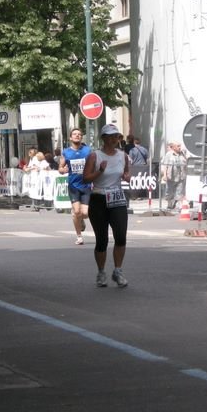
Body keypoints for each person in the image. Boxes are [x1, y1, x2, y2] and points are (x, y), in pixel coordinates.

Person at [82, 123, 132, 288]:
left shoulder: (122, 155)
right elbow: (86, 178)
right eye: (109, 136)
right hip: (99, 198)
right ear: (103, 138)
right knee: (102, 239)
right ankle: (101, 272)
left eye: (116, 136)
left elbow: (126, 172)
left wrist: (126, 176)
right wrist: (100, 172)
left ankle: (118, 271)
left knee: (121, 237)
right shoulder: (95, 156)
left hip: (117, 198)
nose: (113, 139)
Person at [59, 127, 92, 245]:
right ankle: (79, 236)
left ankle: (81, 220)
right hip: (73, 186)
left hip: (86, 185)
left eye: (79, 134)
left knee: (86, 214)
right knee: (77, 211)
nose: (77, 136)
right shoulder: (66, 152)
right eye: (75, 134)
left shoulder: (88, 150)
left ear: (81, 137)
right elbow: (60, 168)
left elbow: (94, 162)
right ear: (70, 137)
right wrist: (63, 170)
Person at [160, 141, 187, 210]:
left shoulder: (183, 154)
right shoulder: (169, 154)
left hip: (180, 176)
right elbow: (165, 165)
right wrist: (165, 175)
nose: (179, 147)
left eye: (180, 146)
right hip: (171, 177)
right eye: (178, 146)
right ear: (174, 147)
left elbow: (186, 163)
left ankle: (178, 206)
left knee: (180, 192)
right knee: (169, 192)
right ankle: (169, 204)